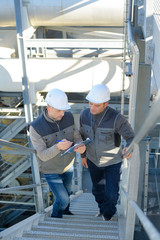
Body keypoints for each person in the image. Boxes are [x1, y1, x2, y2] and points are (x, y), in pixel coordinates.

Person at [80, 84, 134, 221]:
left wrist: (129, 147)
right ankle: (101, 209)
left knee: (111, 194)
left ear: (106, 104)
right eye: (90, 103)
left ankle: (108, 215)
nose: (92, 108)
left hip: (112, 163)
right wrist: (83, 156)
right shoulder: (84, 115)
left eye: (96, 105)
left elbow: (131, 137)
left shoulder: (117, 118)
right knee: (97, 191)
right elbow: (81, 137)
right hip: (92, 160)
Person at [29, 88, 86, 218]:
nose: (63, 113)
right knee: (63, 199)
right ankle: (56, 217)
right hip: (51, 170)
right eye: (59, 110)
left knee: (68, 192)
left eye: (64, 109)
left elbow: (76, 134)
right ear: (48, 107)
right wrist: (58, 147)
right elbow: (42, 155)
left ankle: (65, 211)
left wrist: (79, 144)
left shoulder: (68, 117)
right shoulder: (35, 128)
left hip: (68, 166)